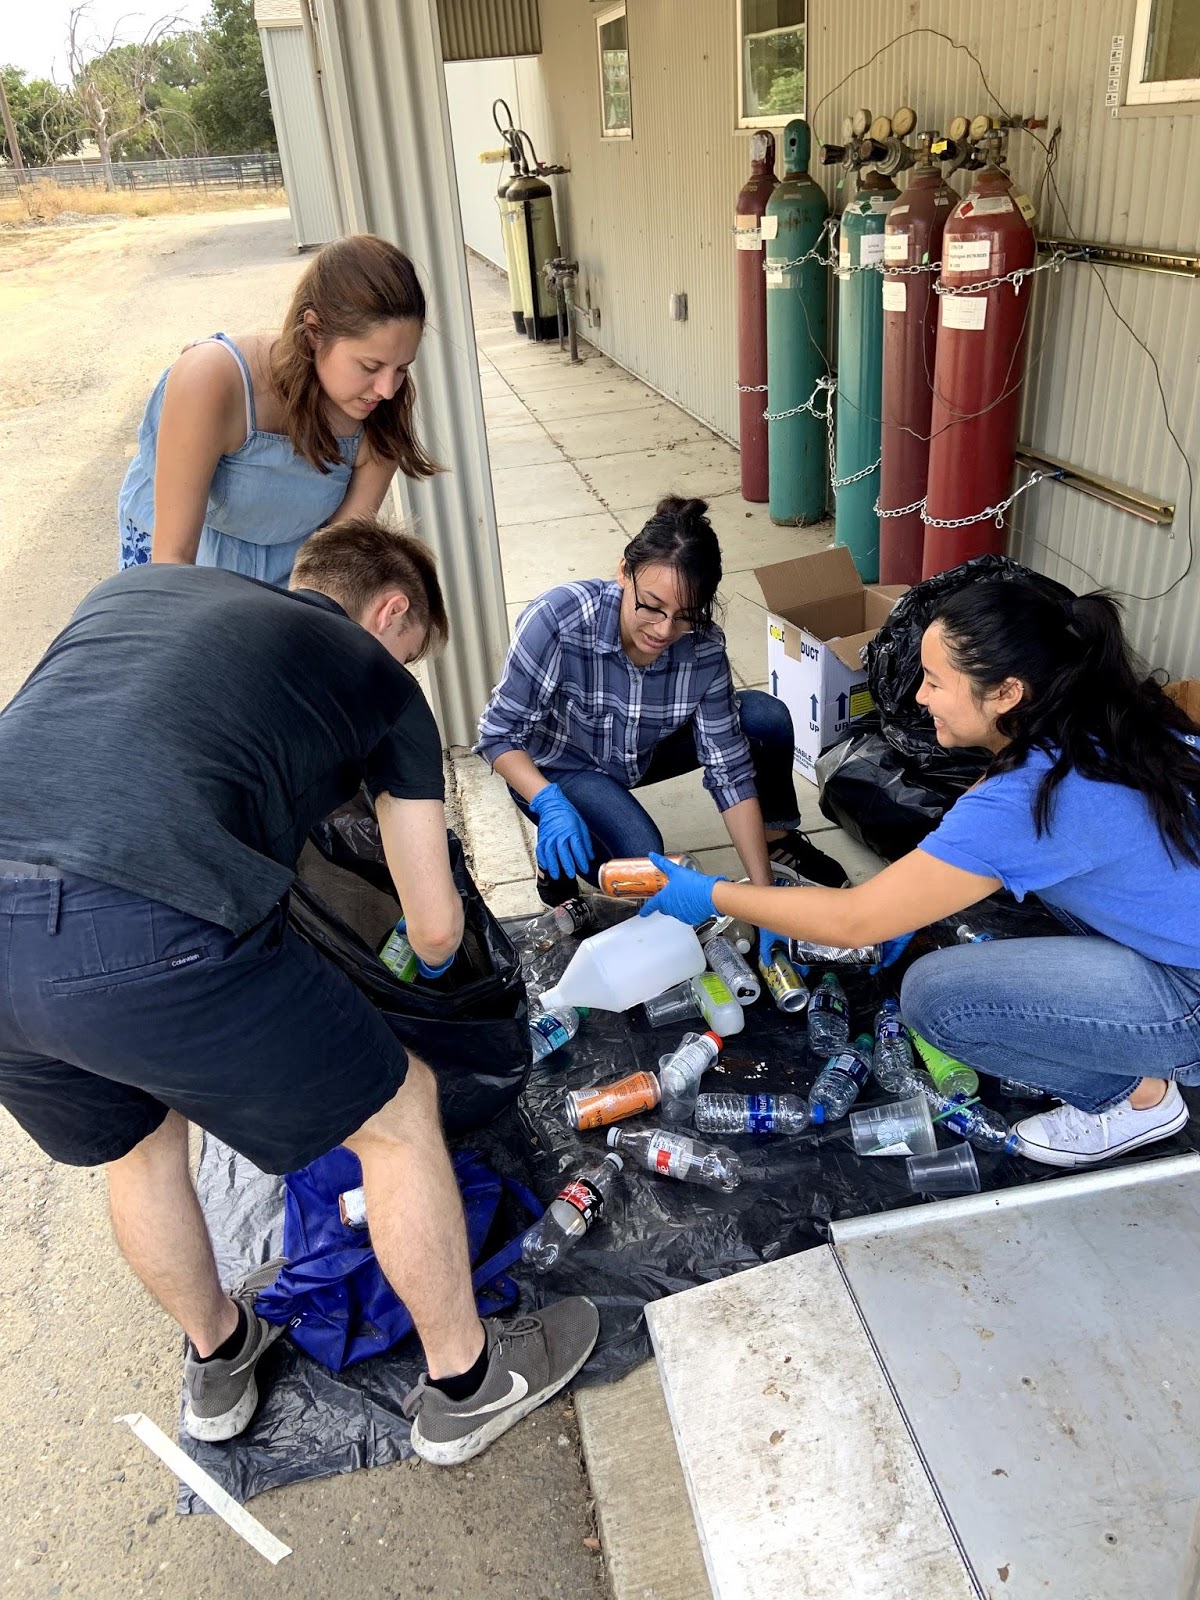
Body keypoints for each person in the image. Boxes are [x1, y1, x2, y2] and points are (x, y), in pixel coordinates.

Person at [0, 517, 597, 1463]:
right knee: (400, 1113)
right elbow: (437, 930)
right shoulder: (378, 680)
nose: (406, 667)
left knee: (143, 1146)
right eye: (411, 648)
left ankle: (221, 1359)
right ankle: (468, 1384)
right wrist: (425, 982)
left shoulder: (139, 592)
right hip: (149, 917)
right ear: (390, 611)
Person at [636, 577, 1200, 1169]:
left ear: (1007, 692)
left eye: (934, 681)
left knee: (937, 999)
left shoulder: (1034, 795)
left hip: (1189, 987)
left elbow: (855, 922)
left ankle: (1138, 1099)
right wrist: (903, 895)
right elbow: (959, 830)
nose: (919, 696)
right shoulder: (1098, 714)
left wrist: (716, 894)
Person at [475, 495, 844, 955]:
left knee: (763, 720)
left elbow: (729, 771)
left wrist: (764, 900)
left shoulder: (703, 649)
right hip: (557, 769)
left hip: (636, 754)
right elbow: (498, 734)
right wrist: (547, 800)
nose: (664, 631)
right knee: (640, 858)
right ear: (624, 572)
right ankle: (556, 861)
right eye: (651, 606)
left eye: (685, 616)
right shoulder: (560, 620)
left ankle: (777, 844)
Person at [117, 234, 438, 584]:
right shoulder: (211, 379)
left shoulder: (380, 414)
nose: (388, 390)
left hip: (291, 578)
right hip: (184, 569)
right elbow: (172, 563)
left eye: (403, 368)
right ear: (314, 330)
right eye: (370, 366)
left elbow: (332, 572)